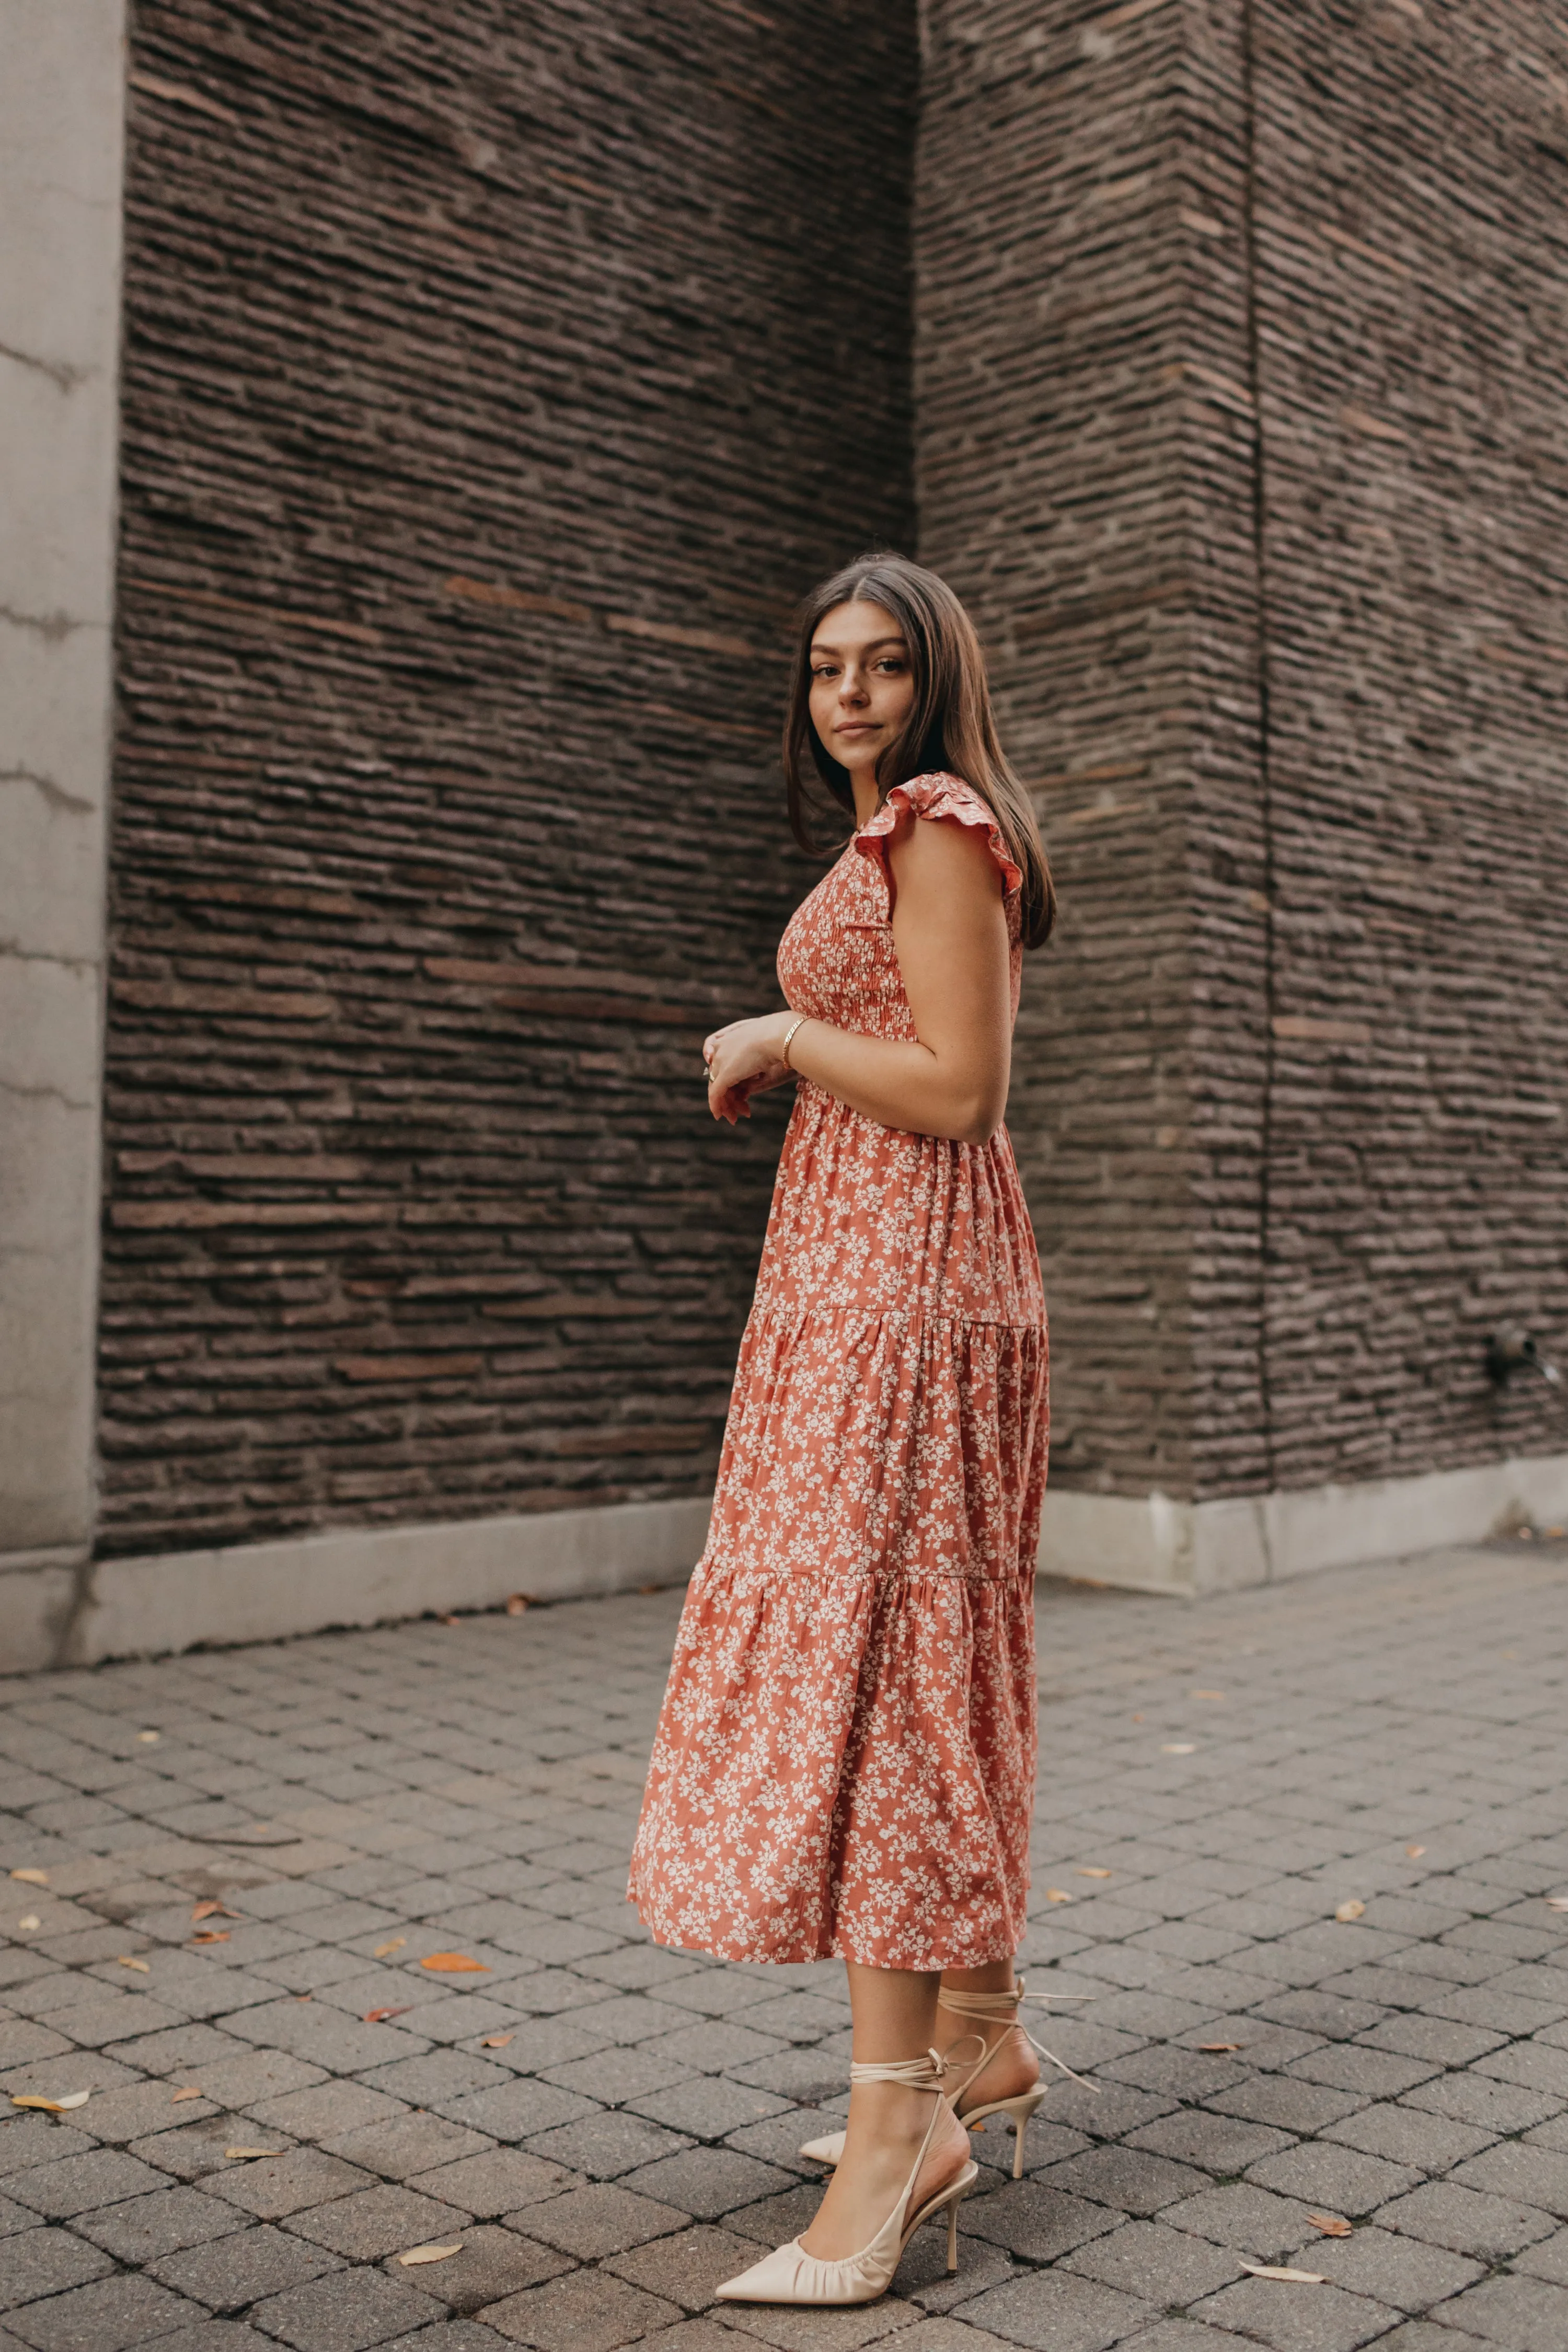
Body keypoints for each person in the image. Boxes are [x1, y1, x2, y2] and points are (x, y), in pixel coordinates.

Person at [628, 552, 1074, 2307]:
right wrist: (802, 1055)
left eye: (886, 665)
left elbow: (962, 1087)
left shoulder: (939, 825)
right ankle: (981, 2039)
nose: (852, 693)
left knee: (887, 1658)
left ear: (937, 676)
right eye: (827, 667)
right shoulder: (891, 830)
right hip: (865, 1276)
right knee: (916, 1641)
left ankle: (895, 2132)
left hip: (907, 1290)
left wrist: (786, 1033)